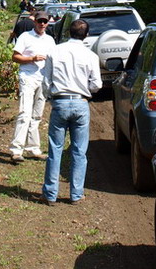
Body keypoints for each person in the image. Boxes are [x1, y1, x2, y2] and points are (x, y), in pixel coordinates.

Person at [40, 19, 102, 206]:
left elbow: (45, 81)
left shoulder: (55, 51)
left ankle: (50, 194)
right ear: (86, 35)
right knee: (79, 151)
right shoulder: (91, 56)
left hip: (60, 102)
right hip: (81, 103)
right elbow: (97, 84)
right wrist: (86, 89)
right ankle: (76, 194)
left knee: (55, 149)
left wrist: (51, 97)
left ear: (68, 32)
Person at [9, 10, 56, 163]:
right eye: (40, 21)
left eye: (45, 21)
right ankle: (16, 150)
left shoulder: (50, 40)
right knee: (24, 112)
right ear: (34, 21)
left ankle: (33, 148)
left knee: (37, 114)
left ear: (48, 22)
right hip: (28, 77)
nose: (42, 24)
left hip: (43, 79)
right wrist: (31, 58)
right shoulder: (25, 36)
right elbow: (15, 56)